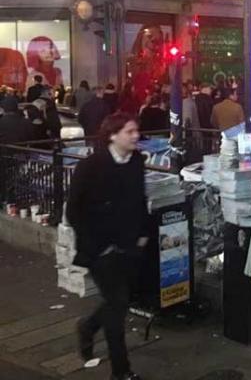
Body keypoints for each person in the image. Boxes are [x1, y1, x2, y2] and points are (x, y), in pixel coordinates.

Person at [67, 113, 150, 380]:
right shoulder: (91, 166)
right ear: (113, 135)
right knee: (117, 305)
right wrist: (94, 244)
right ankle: (121, 371)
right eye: (129, 131)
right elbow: (74, 210)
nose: (135, 136)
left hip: (128, 243)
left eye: (136, 131)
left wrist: (143, 233)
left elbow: (139, 198)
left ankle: (88, 327)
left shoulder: (137, 161)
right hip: (100, 248)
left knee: (118, 302)